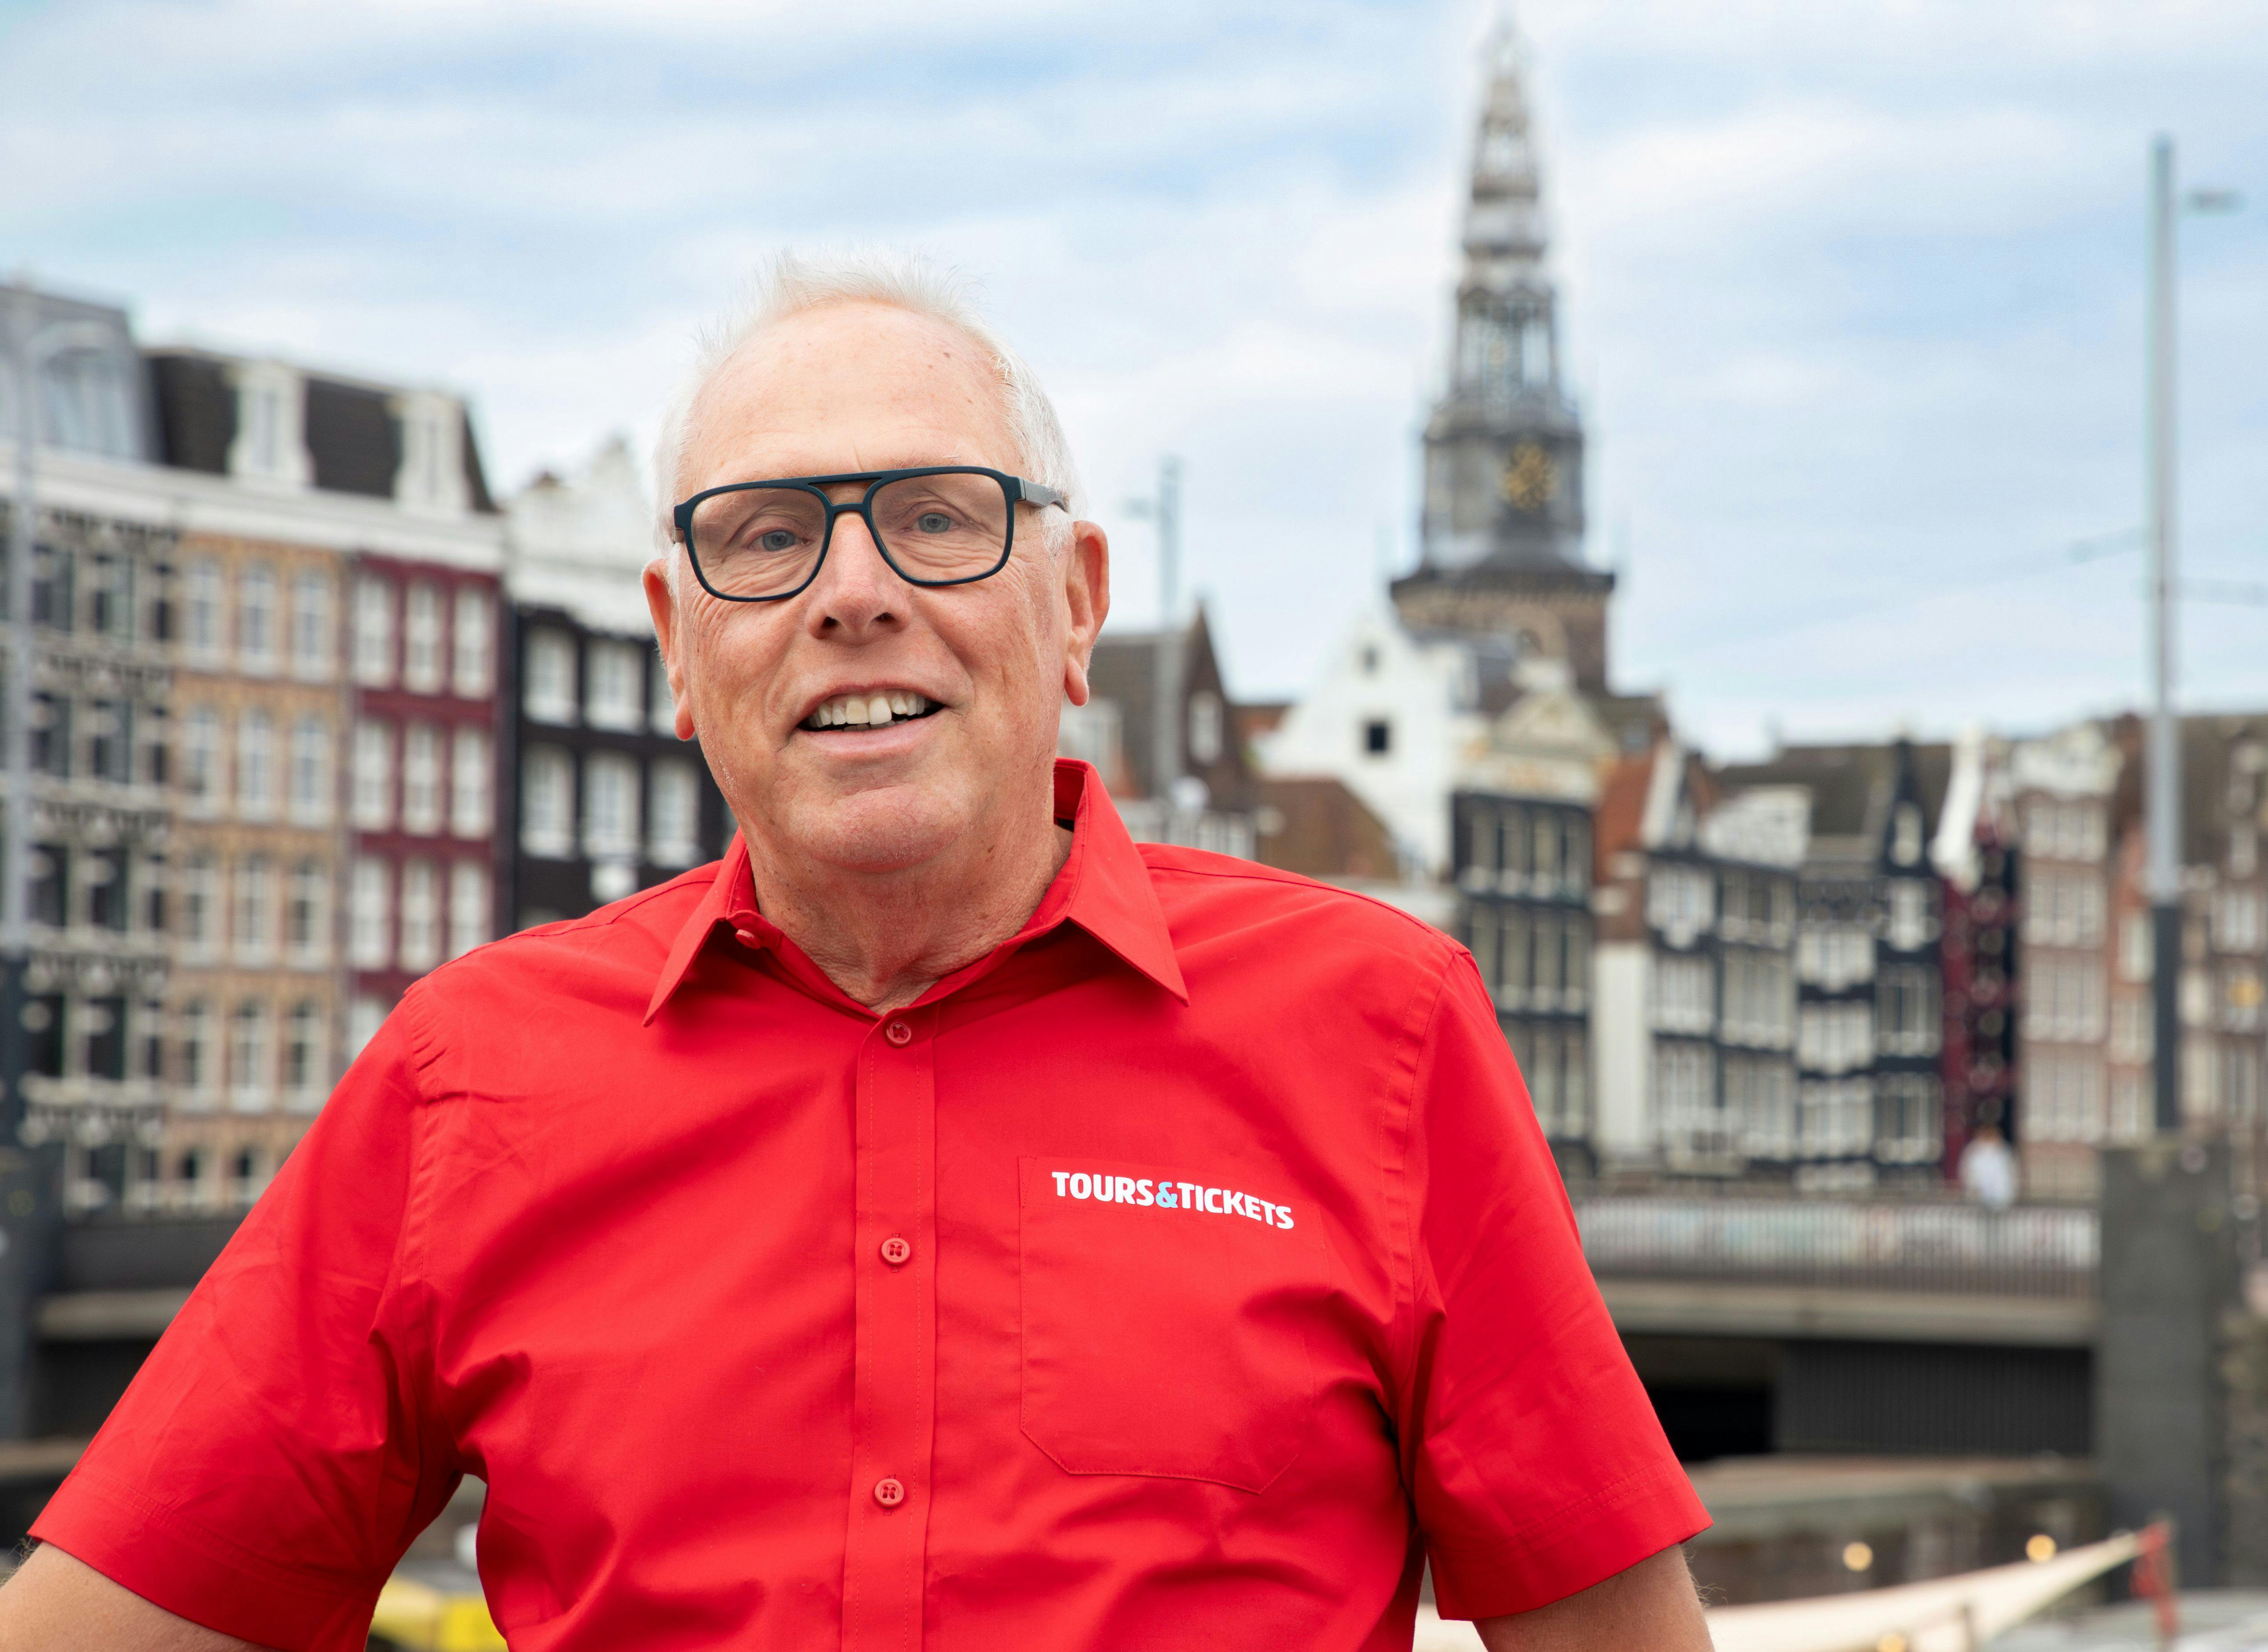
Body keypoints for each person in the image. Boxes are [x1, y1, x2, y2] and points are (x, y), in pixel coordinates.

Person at [0, 257, 1712, 1651]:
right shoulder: (474, 1078)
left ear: (1075, 605)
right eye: (764, 536)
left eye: (938, 517)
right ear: (679, 647)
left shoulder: (1376, 1026)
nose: (851, 592)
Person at [1959, 1126, 2019, 1210]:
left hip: (2002, 1198)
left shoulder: (2004, 1151)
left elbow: (2012, 1173)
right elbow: (1968, 1173)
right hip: (1979, 1198)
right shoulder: (1973, 1151)